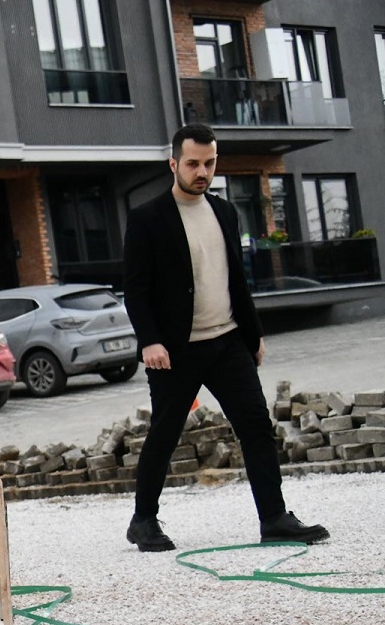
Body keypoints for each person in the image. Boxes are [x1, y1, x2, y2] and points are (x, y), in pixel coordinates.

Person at [122, 124, 327, 551]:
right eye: (193, 163)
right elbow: (136, 289)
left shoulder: (225, 212)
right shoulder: (147, 218)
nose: (202, 171)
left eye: (210, 163)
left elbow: (237, 279)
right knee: (165, 431)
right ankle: (143, 520)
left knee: (256, 426)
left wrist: (253, 336)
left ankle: (274, 518)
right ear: (173, 163)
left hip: (229, 340)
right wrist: (150, 341)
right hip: (175, 351)